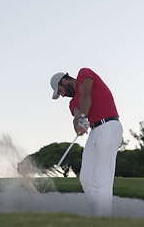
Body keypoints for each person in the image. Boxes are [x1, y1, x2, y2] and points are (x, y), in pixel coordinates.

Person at [50, 68, 123, 216]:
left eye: (61, 91)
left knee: (103, 177)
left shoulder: (84, 73)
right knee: (86, 178)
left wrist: (83, 116)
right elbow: (76, 114)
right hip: (95, 131)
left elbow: (86, 94)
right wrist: (78, 124)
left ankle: (103, 219)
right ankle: (100, 213)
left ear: (64, 81)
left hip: (109, 126)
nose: (62, 95)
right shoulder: (71, 103)